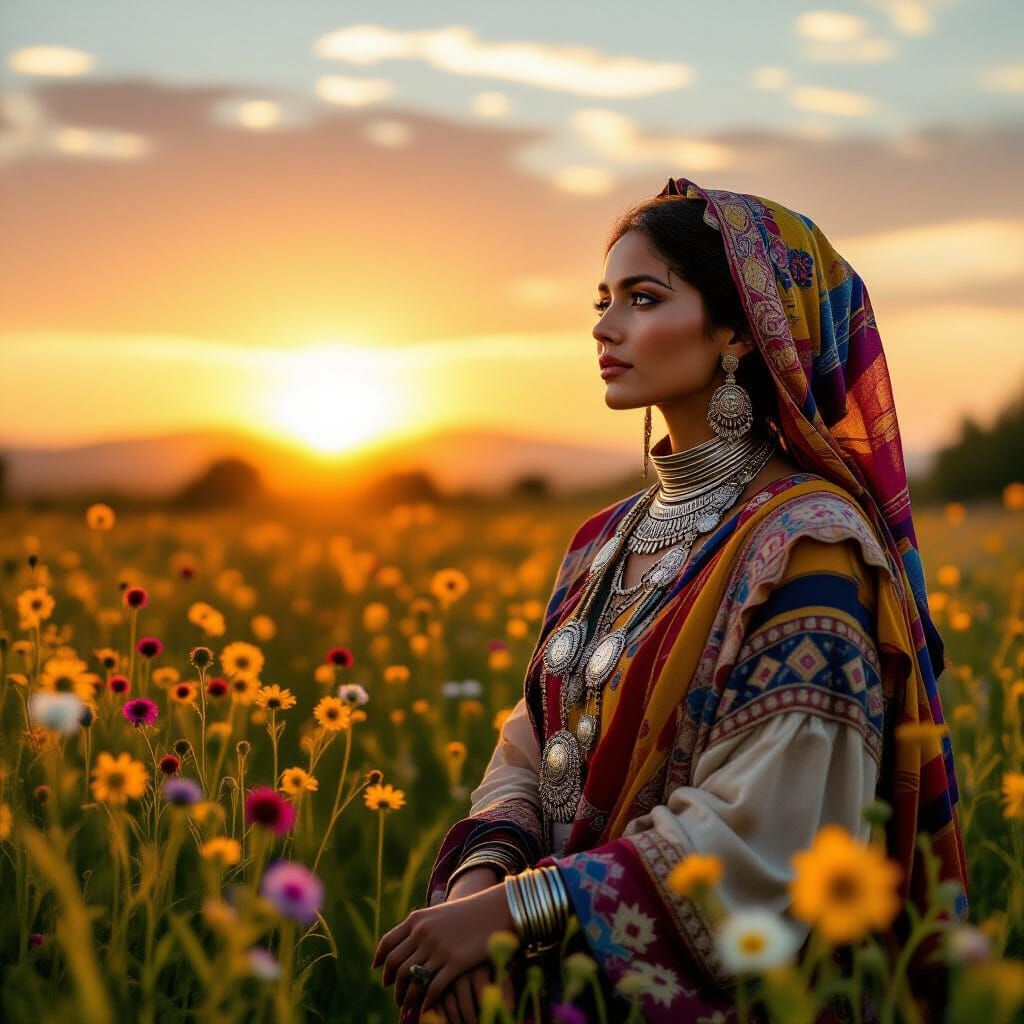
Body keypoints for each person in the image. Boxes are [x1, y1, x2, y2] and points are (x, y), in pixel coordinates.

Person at [373, 177, 969, 1023]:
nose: (603, 326)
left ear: (737, 330)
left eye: (643, 298)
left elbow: (774, 842)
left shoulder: (807, 549)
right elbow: (529, 747)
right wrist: (478, 888)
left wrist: (520, 913)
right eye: (603, 300)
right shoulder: (604, 537)